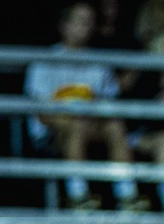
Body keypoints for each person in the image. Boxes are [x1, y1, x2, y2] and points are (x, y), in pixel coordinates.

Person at [22, 2, 146, 212]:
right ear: (64, 25)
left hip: (91, 125)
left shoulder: (97, 62)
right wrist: (76, 119)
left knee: (114, 125)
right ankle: (77, 196)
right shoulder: (46, 61)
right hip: (53, 132)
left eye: (89, 22)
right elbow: (43, 114)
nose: (86, 27)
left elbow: (109, 103)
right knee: (77, 125)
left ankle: (127, 195)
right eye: (80, 21)